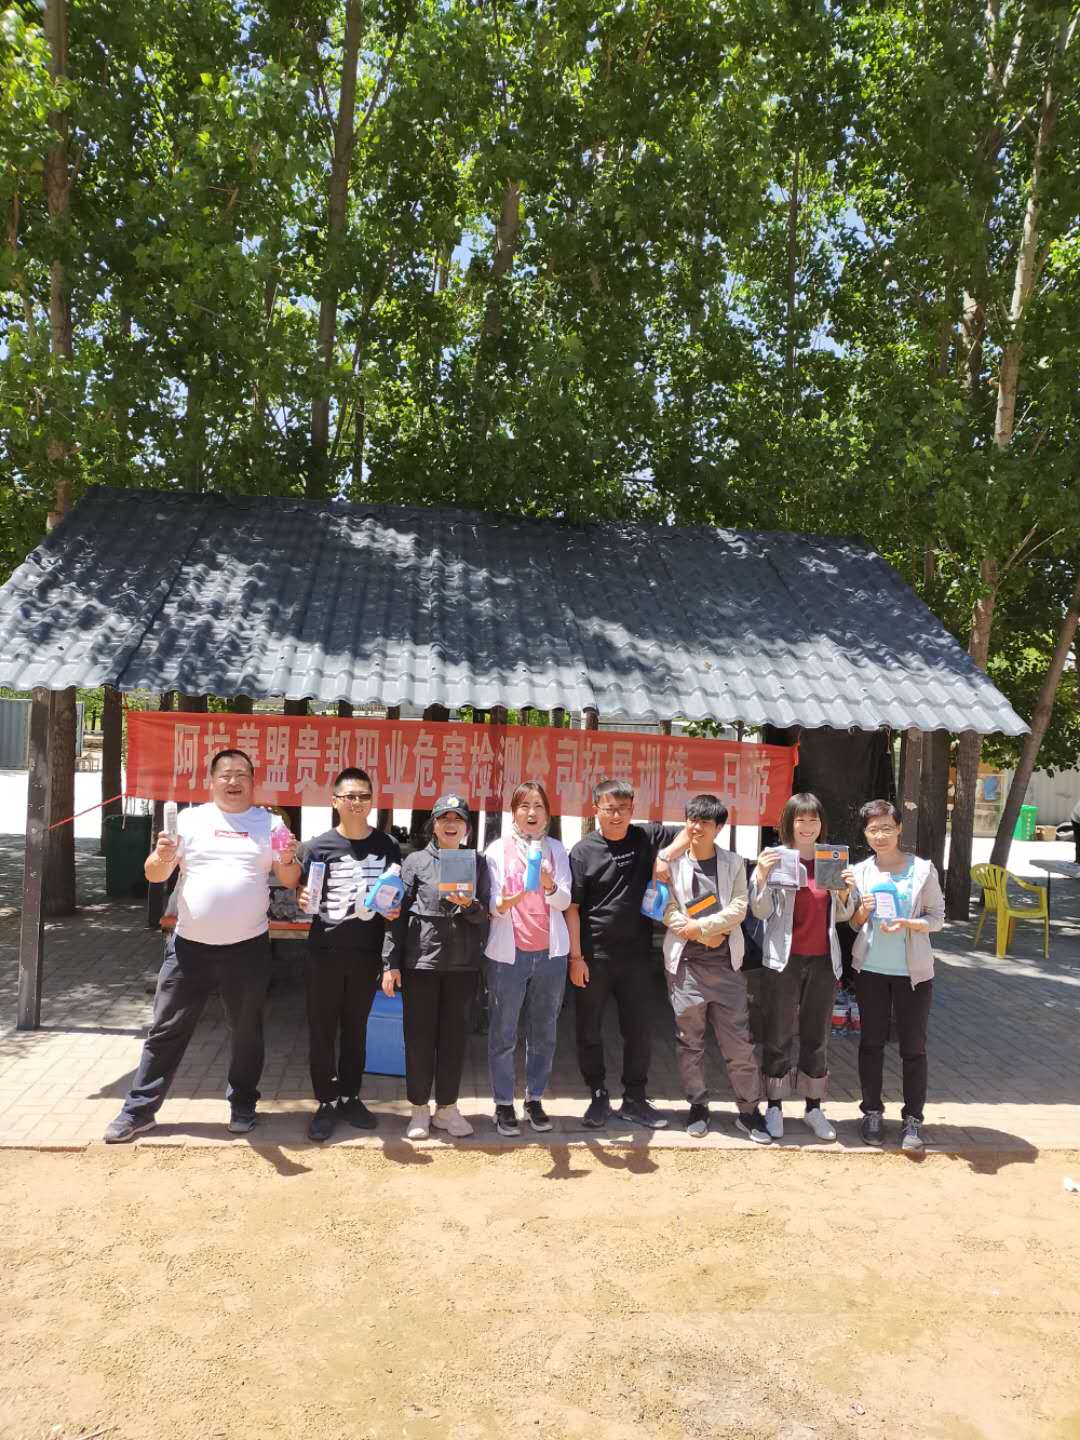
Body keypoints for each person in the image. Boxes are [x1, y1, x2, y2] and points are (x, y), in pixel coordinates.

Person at [104, 749, 300, 1143]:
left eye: (241, 774)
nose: (233, 781)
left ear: (253, 781)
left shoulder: (271, 824)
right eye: (225, 774)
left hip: (247, 949)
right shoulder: (189, 821)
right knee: (166, 1030)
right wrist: (162, 856)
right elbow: (154, 873)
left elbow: (290, 878)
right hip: (188, 949)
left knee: (246, 1032)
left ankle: (243, 1105)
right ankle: (138, 1111)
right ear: (211, 781)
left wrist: (288, 858)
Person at [566, 779, 683, 1130]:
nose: (616, 815)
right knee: (589, 1029)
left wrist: (665, 856)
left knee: (639, 1030)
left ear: (633, 809)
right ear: (596, 810)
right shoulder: (583, 852)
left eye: (623, 809)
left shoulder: (647, 836)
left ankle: (635, 1098)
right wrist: (576, 958)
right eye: (609, 809)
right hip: (593, 956)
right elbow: (572, 908)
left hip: (636, 957)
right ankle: (598, 1094)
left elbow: (691, 831)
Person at [297, 767, 402, 1142]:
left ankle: (350, 1096)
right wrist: (301, 899)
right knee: (322, 1031)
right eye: (350, 796)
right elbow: (305, 896)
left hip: (366, 954)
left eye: (364, 796)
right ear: (335, 801)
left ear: (372, 801)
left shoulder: (387, 846)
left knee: (357, 1029)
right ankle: (325, 1101)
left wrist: (394, 914)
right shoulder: (316, 847)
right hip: (324, 952)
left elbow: (395, 900)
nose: (357, 802)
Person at [661, 794, 771, 1143]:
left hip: (726, 966)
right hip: (686, 967)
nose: (696, 827)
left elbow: (740, 907)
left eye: (704, 822)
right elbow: (665, 907)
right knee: (689, 1042)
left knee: (738, 1043)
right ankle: (698, 1105)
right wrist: (693, 932)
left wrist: (703, 928)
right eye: (691, 820)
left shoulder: (733, 862)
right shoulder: (672, 863)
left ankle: (749, 1111)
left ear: (718, 828)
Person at [382, 794, 491, 1140]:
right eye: (444, 818)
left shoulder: (478, 862)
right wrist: (390, 963)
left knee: (454, 1041)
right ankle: (419, 1109)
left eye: (457, 819)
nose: (450, 824)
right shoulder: (414, 862)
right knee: (418, 1038)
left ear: (467, 827)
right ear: (433, 825)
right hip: (421, 964)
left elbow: (486, 915)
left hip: (463, 966)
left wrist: (470, 904)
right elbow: (396, 916)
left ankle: (447, 1108)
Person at [749, 793, 855, 1142]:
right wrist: (760, 876)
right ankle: (774, 1106)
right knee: (778, 1033)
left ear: (822, 823)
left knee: (816, 1035)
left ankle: (813, 1107)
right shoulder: (777, 858)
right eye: (800, 820)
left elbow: (843, 915)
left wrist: (846, 893)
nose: (808, 826)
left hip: (823, 959)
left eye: (814, 819)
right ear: (788, 823)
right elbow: (761, 911)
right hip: (784, 959)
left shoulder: (831, 860)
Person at [848, 798, 945, 1152]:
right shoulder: (860, 872)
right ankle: (872, 1112)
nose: (880, 835)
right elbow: (853, 923)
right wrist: (862, 910)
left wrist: (909, 923)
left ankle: (913, 1120)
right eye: (873, 829)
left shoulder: (922, 870)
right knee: (871, 1044)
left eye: (887, 828)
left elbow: (937, 918)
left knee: (913, 1048)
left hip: (913, 973)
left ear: (900, 828)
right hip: (871, 970)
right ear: (865, 833)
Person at [484, 780, 572, 1136]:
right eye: (524, 806)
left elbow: (565, 901)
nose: (532, 813)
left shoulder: (556, 849)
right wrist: (503, 903)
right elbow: (490, 902)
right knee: (503, 1031)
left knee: (544, 1031)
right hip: (508, 955)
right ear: (513, 813)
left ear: (548, 814)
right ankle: (503, 1103)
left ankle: (534, 1098)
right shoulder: (496, 850)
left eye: (538, 806)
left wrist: (549, 883)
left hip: (551, 954)